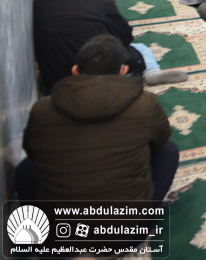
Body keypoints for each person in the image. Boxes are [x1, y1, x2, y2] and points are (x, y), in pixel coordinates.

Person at [18, 35, 177, 202]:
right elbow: (160, 141)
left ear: (75, 70)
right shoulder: (144, 104)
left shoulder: (42, 109)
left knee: (26, 168)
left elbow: (32, 151)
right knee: (168, 151)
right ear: (123, 71)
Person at [34, 0, 184, 92]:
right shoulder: (100, 0)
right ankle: (151, 72)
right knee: (141, 49)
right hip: (102, 71)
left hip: (57, 81)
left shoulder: (39, 4)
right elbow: (125, 36)